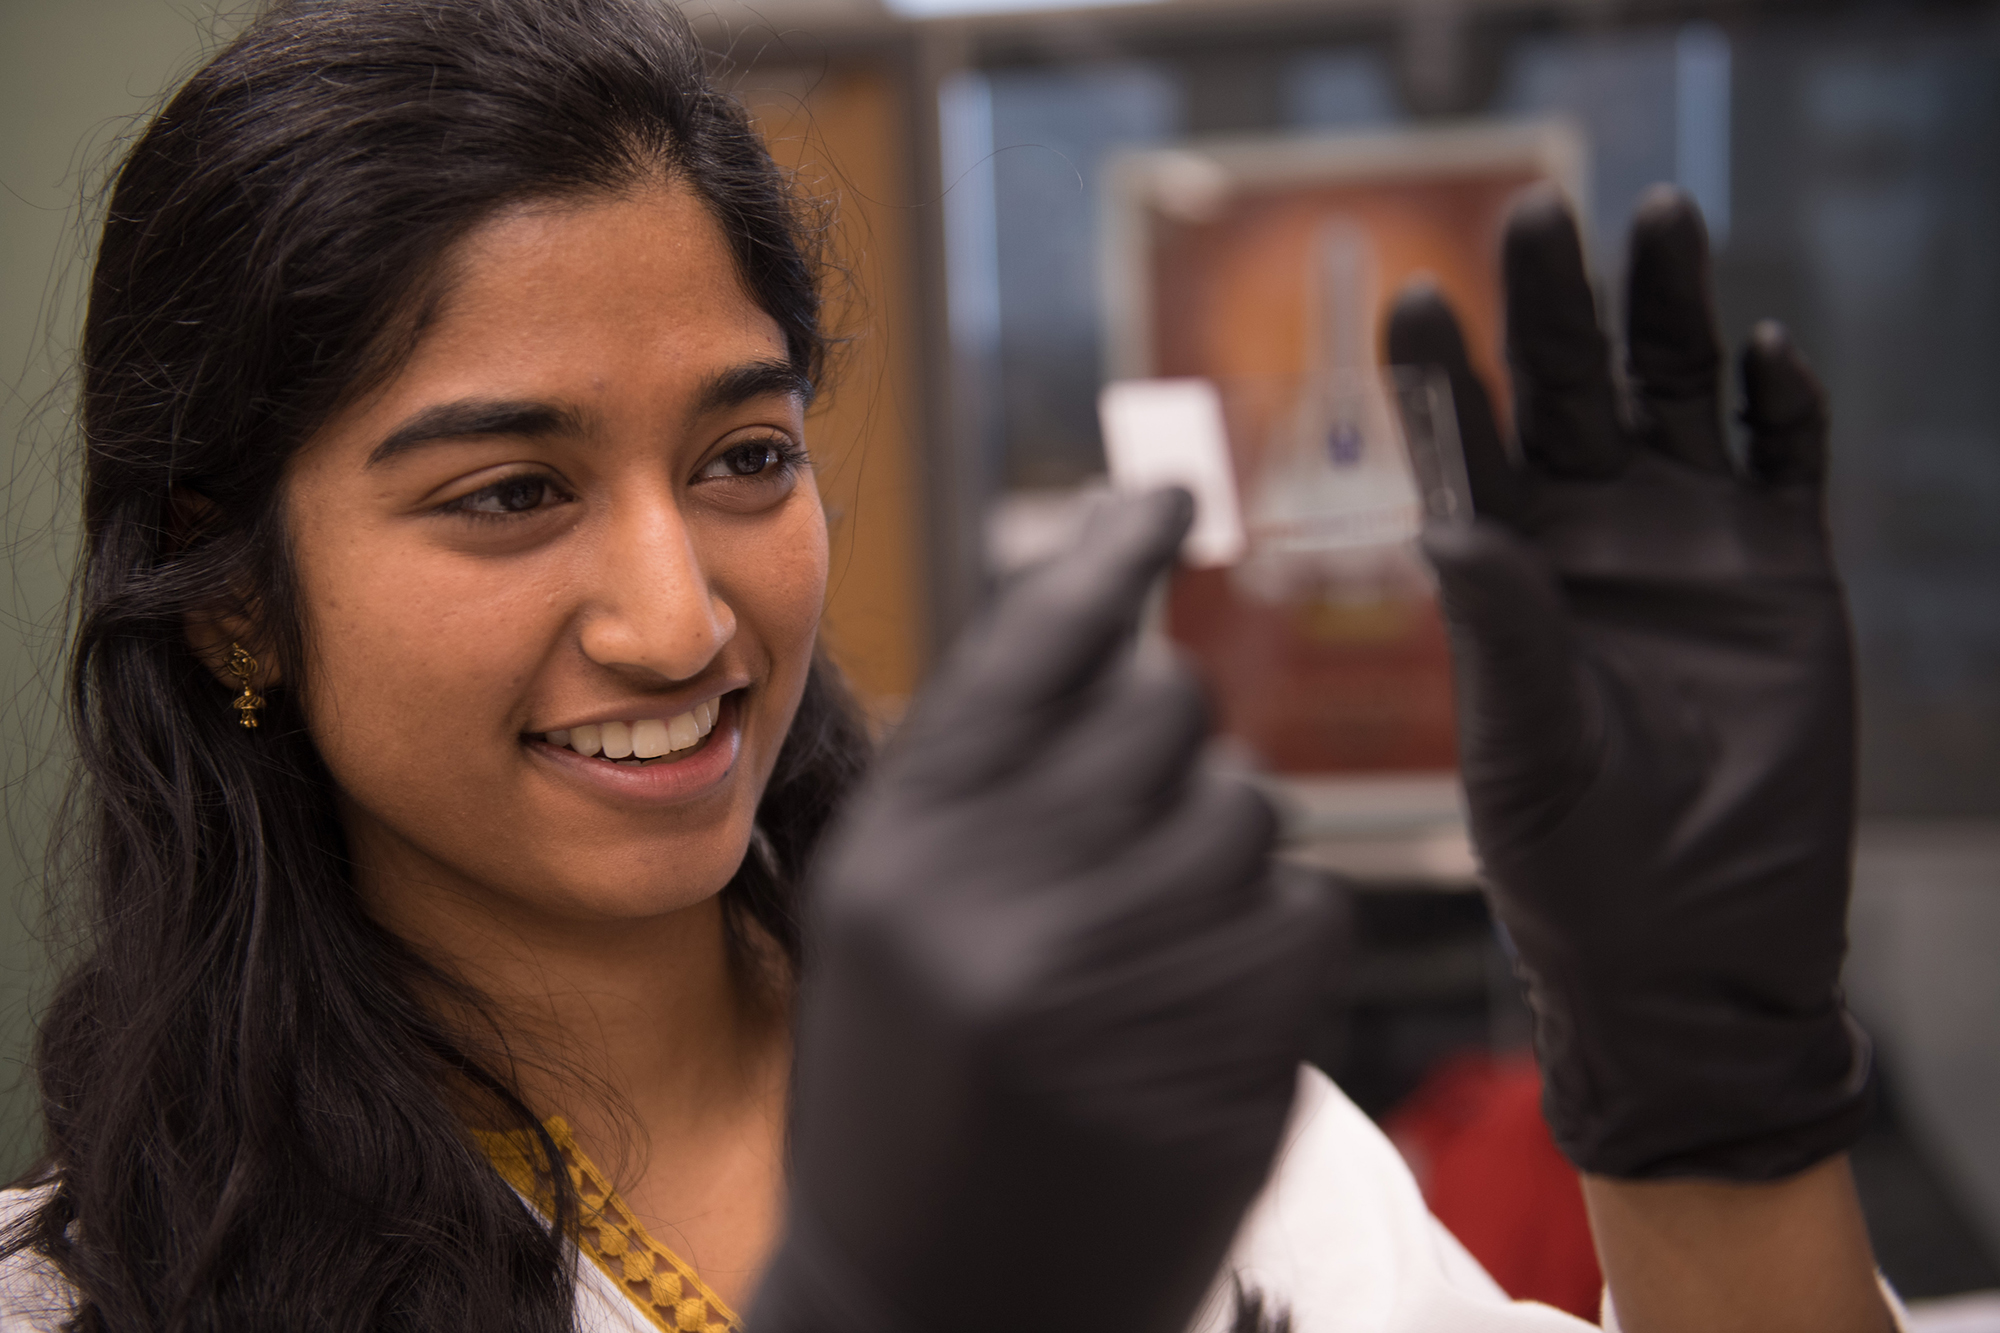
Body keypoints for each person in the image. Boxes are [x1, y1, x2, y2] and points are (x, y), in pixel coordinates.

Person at [0, 3, 1901, 1333]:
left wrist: (1709, 1101)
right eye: (511, 492)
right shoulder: (86, 1297)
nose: (679, 620)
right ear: (232, 589)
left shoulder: (1103, 1090)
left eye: (746, 456)